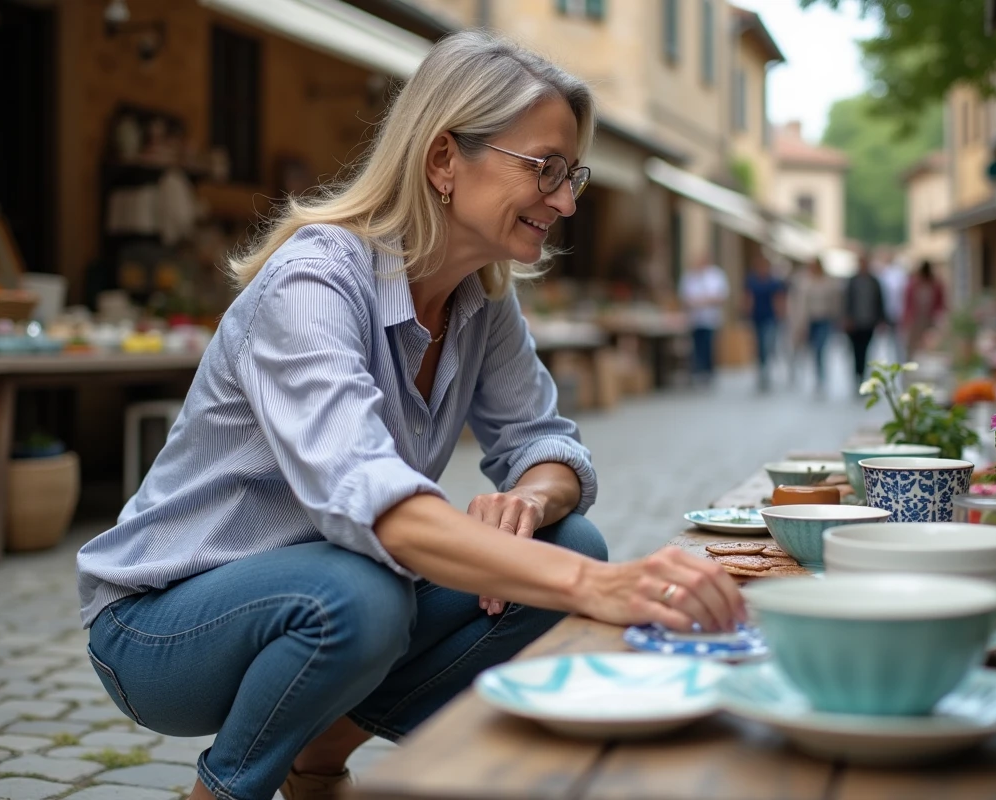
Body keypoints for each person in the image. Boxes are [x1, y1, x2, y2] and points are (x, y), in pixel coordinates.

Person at [76, 32, 744, 800]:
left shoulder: (482, 299)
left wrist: (528, 502)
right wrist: (595, 587)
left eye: (573, 175)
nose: (565, 201)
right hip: (160, 628)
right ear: (442, 160)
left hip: (331, 591)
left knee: (565, 537)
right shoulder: (315, 280)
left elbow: (548, 444)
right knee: (367, 596)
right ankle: (226, 790)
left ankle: (318, 752)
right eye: (545, 169)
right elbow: (377, 507)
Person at [791, 258, 843, 394]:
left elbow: (835, 301)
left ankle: (821, 378)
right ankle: (817, 376)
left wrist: (836, 317)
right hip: (810, 321)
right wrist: (800, 324)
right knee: (814, 350)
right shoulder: (804, 282)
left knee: (821, 348)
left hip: (824, 319)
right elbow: (801, 304)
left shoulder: (829, 281)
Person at [679, 254, 729, 387]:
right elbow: (684, 297)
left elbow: (721, 296)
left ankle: (708, 371)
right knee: (697, 346)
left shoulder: (716, 275)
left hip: (710, 319)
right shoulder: (689, 276)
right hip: (695, 319)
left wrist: (706, 301)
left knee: (709, 345)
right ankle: (699, 371)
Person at [743, 255, 786, 392]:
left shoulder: (774, 282)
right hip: (757, 318)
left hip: (770, 318)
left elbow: (778, 299)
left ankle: (766, 370)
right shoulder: (752, 280)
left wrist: (781, 314)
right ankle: (762, 370)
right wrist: (746, 312)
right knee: (759, 346)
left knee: (767, 344)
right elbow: (748, 298)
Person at [843, 251, 887, 386]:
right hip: (855, 323)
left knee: (866, 350)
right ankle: (857, 376)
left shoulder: (874, 281)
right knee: (856, 351)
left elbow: (880, 301)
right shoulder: (852, 281)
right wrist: (846, 317)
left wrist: (881, 319)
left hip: (869, 322)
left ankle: (862, 374)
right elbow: (846, 301)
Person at [903, 260, 946, 358]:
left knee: (929, 344)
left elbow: (940, 303)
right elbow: (908, 303)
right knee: (914, 346)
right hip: (916, 319)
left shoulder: (936, 285)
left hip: (929, 319)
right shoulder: (913, 285)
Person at [876, 251, 909, 362]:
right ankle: (892, 360)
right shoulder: (885, 274)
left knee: (898, 340)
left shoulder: (899, 274)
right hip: (889, 312)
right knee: (889, 340)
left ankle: (898, 360)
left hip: (898, 312)